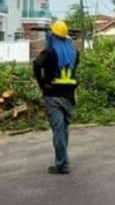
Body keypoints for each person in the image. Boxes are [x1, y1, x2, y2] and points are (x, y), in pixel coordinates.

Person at [33, 20, 80, 175]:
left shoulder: (49, 52)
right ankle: (62, 161)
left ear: (52, 35)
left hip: (53, 96)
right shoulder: (73, 52)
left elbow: (36, 65)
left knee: (58, 131)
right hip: (69, 96)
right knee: (64, 130)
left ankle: (62, 164)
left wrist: (42, 84)